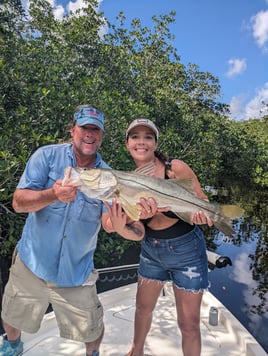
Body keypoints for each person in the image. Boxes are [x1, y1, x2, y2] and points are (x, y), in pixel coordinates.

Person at [0, 105, 145, 356]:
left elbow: (118, 226)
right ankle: (13, 345)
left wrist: (121, 225)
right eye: (84, 128)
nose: (89, 134)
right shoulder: (46, 156)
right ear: (72, 130)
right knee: (12, 316)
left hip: (76, 272)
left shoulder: (109, 176)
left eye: (95, 130)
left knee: (92, 330)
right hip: (32, 262)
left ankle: (93, 353)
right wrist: (53, 195)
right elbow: (18, 202)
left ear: (101, 136)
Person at [105, 118, 213, 356]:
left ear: (155, 143)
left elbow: (202, 202)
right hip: (151, 251)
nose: (141, 142)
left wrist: (202, 215)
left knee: (189, 324)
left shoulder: (174, 168)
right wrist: (122, 226)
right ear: (127, 144)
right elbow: (138, 232)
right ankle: (137, 350)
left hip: (187, 252)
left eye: (147, 137)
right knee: (142, 309)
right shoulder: (127, 181)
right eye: (135, 137)